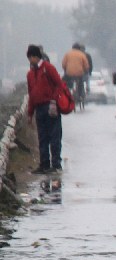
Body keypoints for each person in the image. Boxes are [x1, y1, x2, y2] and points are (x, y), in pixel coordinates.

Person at [25, 45, 65, 174]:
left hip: (51, 106)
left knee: (54, 136)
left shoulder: (48, 68)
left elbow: (59, 84)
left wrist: (54, 100)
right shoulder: (30, 74)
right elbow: (31, 94)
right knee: (42, 138)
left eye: (31, 57)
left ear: (36, 57)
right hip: (39, 108)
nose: (30, 60)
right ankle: (44, 164)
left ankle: (56, 164)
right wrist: (30, 113)